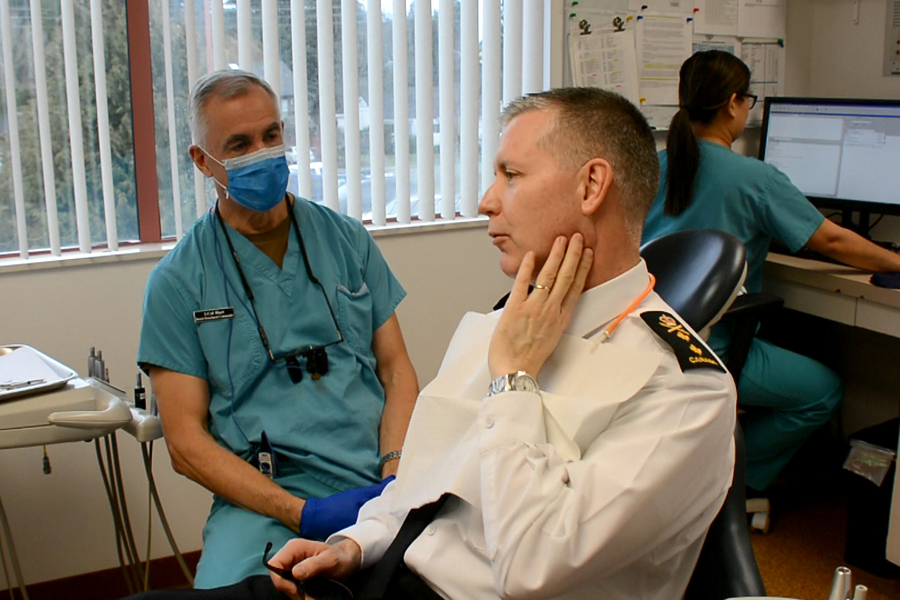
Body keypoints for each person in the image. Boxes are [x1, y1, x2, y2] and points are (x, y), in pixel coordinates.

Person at [122, 86, 736, 600]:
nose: (484, 200)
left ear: (591, 186)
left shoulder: (682, 390)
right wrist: (353, 545)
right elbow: (424, 483)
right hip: (381, 569)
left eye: (511, 175)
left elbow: (531, 566)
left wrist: (513, 381)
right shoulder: (506, 322)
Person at [136, 69, 418, 588]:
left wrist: (395, 477)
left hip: (375, 480)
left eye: (271, 136)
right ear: (203, 161)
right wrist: (300, 514)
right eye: (239, 145)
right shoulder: (179, 280)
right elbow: (184, 442)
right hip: (263, 500)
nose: (263, 153)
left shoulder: (345, 239)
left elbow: (396, 368)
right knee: (240, 592)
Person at [642, 50, 900, 494]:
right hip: (710, 346)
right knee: (824, 391)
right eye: (749, 101)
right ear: (733, 104)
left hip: (645, 336)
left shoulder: (653, 166)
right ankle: (726, 482)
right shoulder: (755, 178)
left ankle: (701, 473)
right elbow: (832, 242)